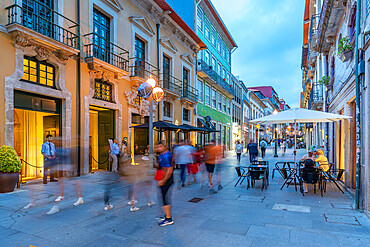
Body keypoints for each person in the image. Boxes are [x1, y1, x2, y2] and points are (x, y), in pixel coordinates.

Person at [156, 141, 174, 226]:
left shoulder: (167, 156)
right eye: (158, 146)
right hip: (163, 179)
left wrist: (163, 181)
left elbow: (169, 170)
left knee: (165, 198)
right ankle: (166, 215)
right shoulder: (161, 155)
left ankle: (168, 219)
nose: (158, 148)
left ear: (165, 147)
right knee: (163, 197)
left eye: (160, 146)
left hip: (166, 180)